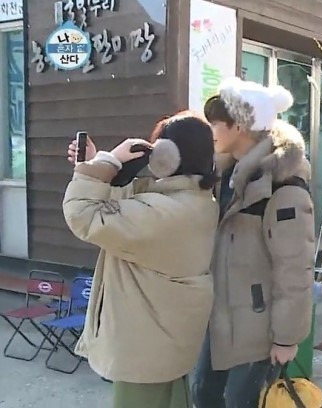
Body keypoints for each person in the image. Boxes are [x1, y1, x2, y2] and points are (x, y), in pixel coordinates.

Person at [62, 112, 220, 408]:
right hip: (165, 345)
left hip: (145, 353)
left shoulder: (164, 212)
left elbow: (83, 213)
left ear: (166, 155)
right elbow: (126, 202)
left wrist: (108, 163)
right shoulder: (195, 201)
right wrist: (100, 165)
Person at [191, 78, 315, 408]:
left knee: (240, 402)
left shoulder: (282, 185)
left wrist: (287, 337)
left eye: (216, 123)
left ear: (240, 125)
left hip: (258, 327)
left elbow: (295, 267)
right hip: (220, 318)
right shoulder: (224, 176)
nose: (211, 131)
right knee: (203, 394)